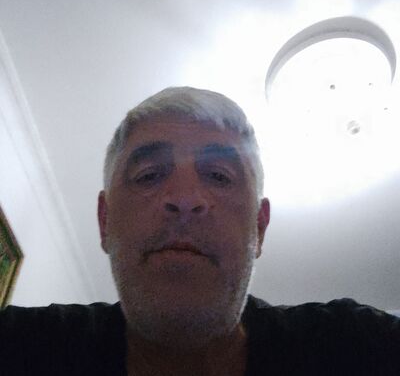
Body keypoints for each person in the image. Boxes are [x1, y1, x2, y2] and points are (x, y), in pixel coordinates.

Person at [1, 86, 399, 375]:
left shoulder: (359, 347)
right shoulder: (21, 347)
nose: (185, 198)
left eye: (219, 176)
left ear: (259, 227)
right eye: (149, 174)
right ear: (105, 221)